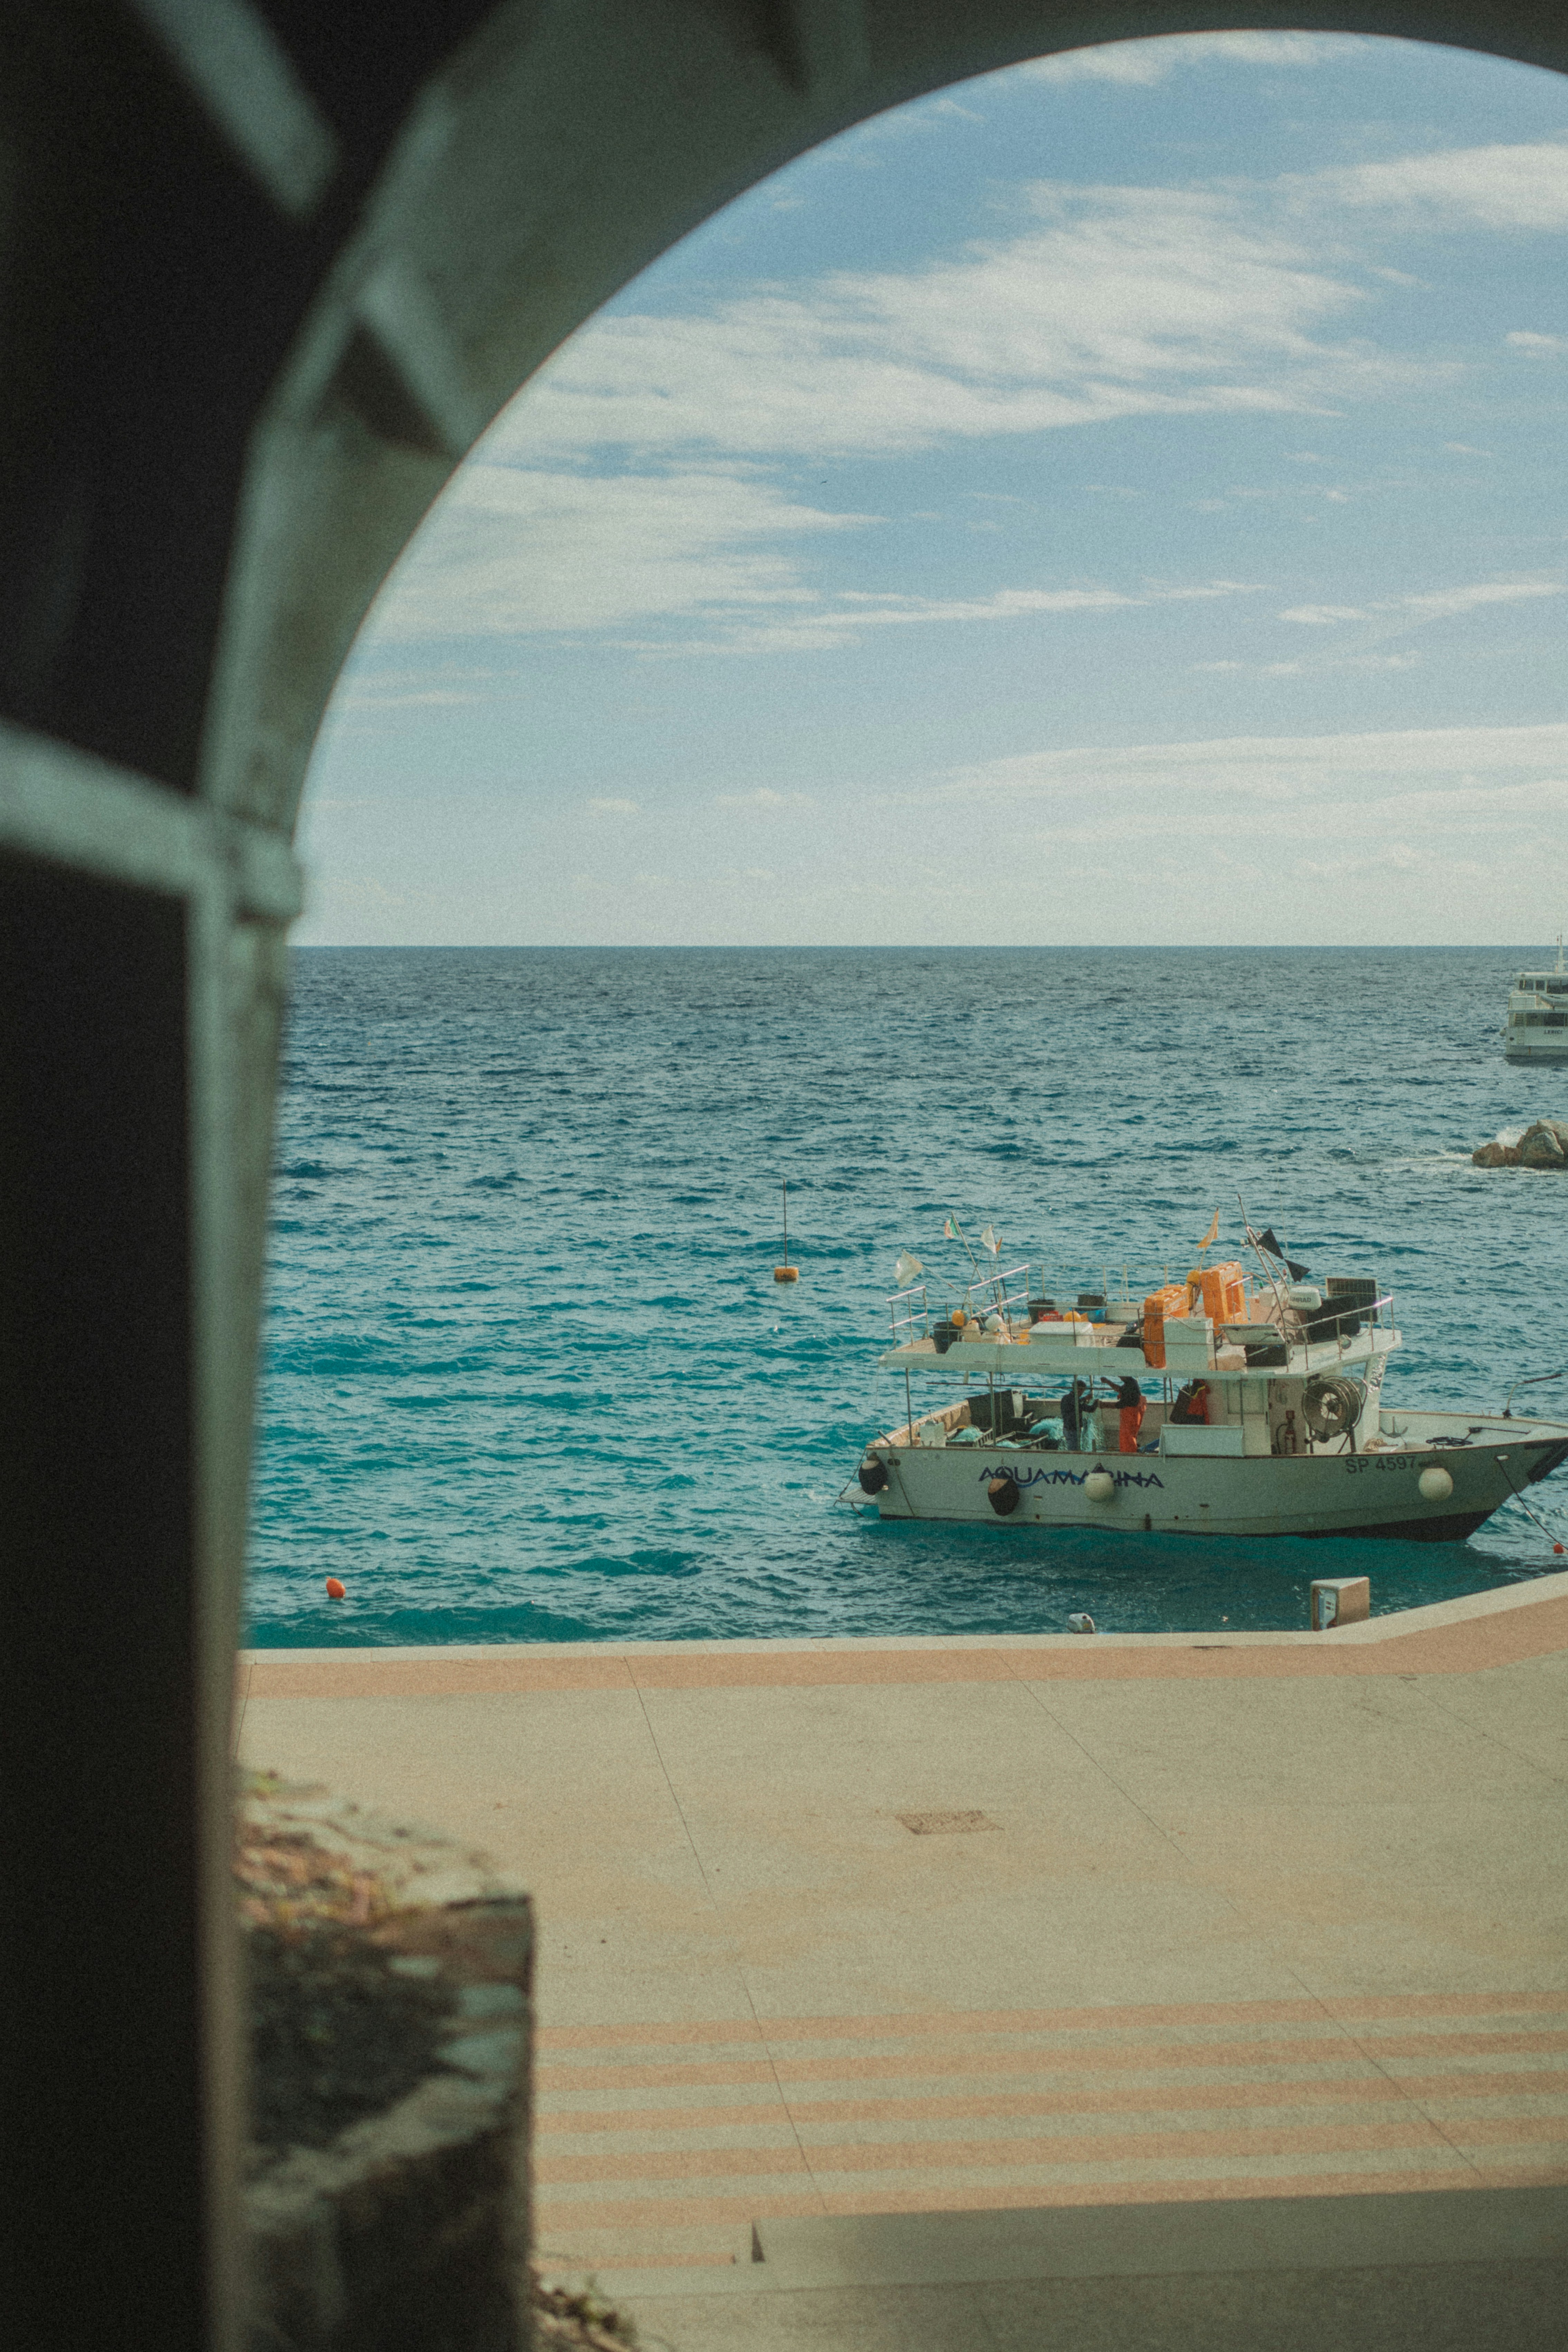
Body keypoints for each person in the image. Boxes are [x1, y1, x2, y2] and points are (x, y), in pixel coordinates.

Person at [1117, 1375, 1146, 1454]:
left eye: (1120, 1376)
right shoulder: (1131, 1382)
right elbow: (1121, 1390)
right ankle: (1130, 1452)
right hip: (1133, 1414)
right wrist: (1108, 1382)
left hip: (1132, 1414)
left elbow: (1121, 1404)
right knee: (1128, 1436)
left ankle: (1130, 1455)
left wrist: (1104, 1405)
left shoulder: (1130, 1385)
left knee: (1129, 1437)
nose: (1119, 1377)